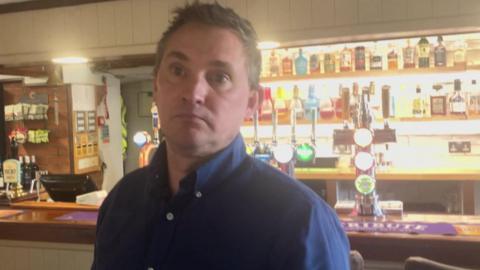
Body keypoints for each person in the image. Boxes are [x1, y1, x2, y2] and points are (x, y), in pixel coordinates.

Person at [92, 2, 350, 269]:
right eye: (178, 70)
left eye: (219, 77)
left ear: (252, 102)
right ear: (156, 85)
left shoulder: (301, 222)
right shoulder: (121, 202)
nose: (193, 93)